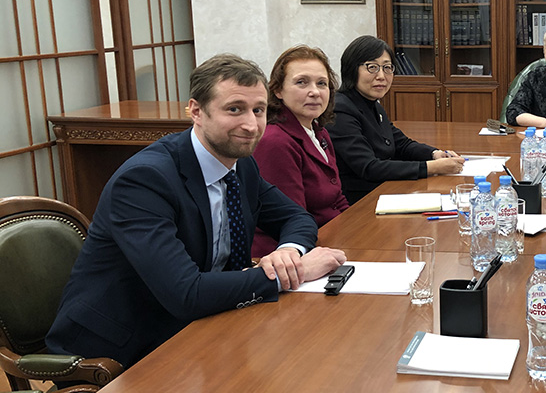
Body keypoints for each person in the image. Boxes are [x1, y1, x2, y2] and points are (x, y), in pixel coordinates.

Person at [46, 54, 347, 368]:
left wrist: (288, 253)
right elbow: (186, 293)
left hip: (203, 326)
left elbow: (296, 217)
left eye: (258, 110)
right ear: (196, 111)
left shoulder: (240, 165)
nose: (251, 125)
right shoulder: (144, 181)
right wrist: (292, 274)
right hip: (120, 351)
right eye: (234, 109)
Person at [327, 35, 464, 204]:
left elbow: (401, 144)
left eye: (387, 68)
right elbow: (369, 168)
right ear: (351, 69)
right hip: (360, 202)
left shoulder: (373, 105)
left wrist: (434, 154)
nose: (381, 76)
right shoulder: (340, 109)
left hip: (384, 190)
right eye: (372, 67)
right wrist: (430, 167)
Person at [252, 45, 350, 258]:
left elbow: (337, 198)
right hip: (292, 254)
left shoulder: (318, 131)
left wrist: (356, 229)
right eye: (301, 82)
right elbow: (291, 220)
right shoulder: (275, 142)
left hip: (330, 237)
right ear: (278, 90)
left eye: (321, 83)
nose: (314, 92)